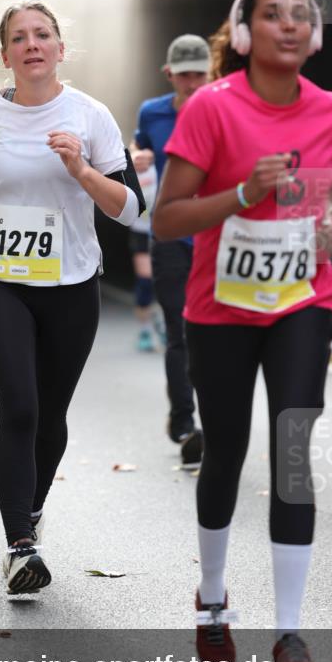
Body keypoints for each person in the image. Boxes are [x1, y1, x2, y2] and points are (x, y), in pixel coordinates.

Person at [152, 0, 332, 662]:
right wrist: (243, 193)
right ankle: (212, 603)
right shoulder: (211, 108)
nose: (289, 25)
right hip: (220, 310)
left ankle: (290, 635)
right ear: (244, 33)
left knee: (294, 449)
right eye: (273, 15)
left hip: (303, 300)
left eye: (301, 16)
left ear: (316, 33)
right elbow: (168, 217)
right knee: (227, 453)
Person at [0, 0, 143, 597]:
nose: (32, 44)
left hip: (72, 286)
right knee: (21, 408)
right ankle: (19, 547)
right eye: (19, 38)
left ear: (60, 48)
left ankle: (28, 513)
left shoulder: (90, 115)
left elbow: (130, 209)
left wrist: (81, 170)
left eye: (43, 34)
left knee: (51, 416)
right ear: (5, 55)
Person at [133, 34, 210, 467]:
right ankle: (184, 421)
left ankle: (215, 417)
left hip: (218, 238)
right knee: (179, 330)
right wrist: (137, 156)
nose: (193, 82)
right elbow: (138, 146)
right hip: (169, 237)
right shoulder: (154, 112)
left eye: (200, 73)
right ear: (170, 75)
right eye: (185, 76)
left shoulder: (225, 108)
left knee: (216, 336)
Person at [128, 161, 162, 351]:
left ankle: (163, 320)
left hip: (165, 230)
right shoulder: (134, 164)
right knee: (145, 281)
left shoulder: (165, 162)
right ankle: (145, 329)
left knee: (168, 281)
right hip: (141, 232)